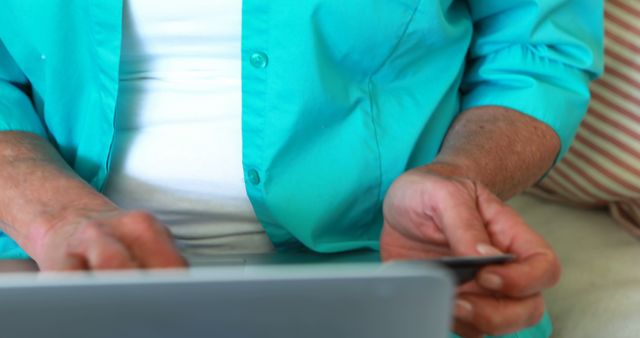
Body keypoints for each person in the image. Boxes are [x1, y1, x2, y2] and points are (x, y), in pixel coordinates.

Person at [0, 1, 602, 337]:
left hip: (386, 262)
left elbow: (536, 55)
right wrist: (56, 217)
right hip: (45, 258)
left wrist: (456, 175)